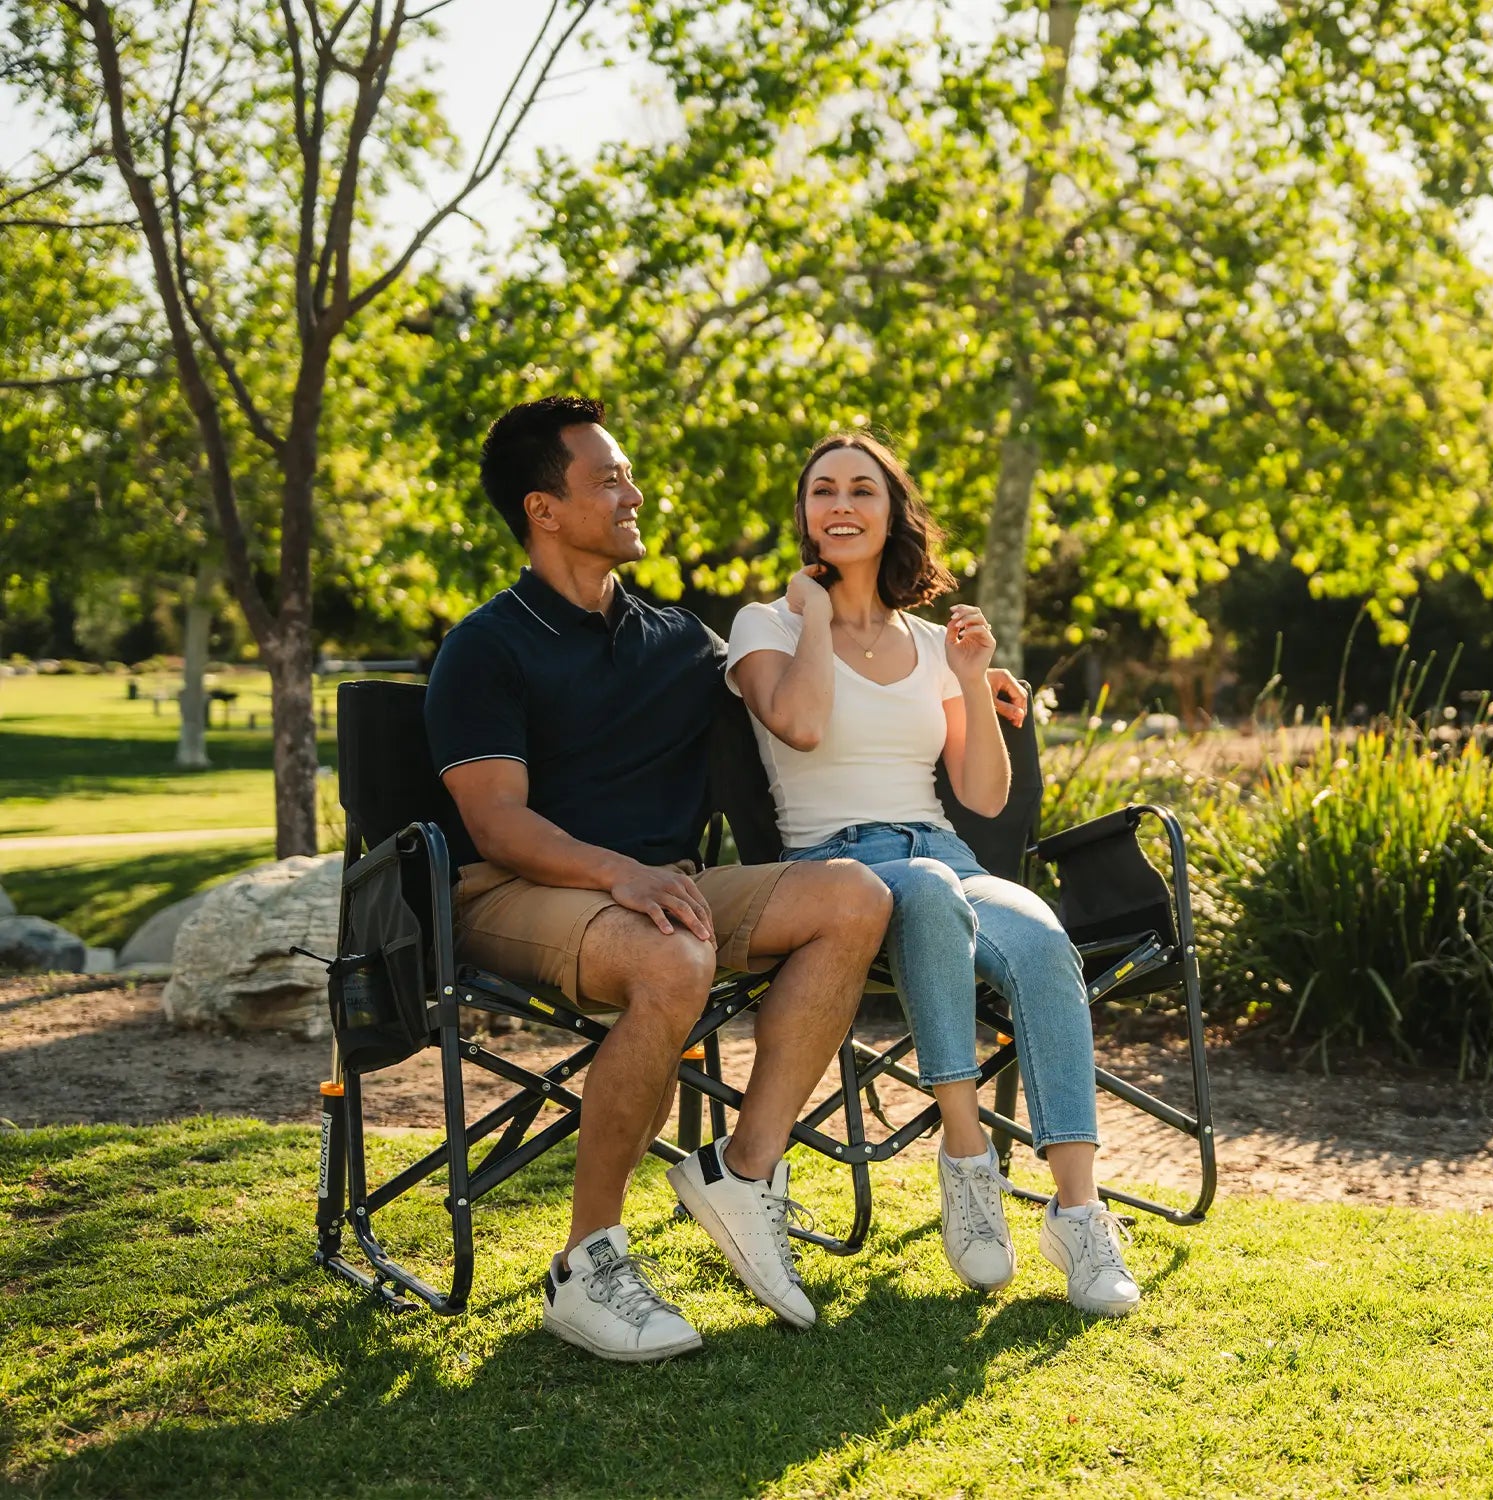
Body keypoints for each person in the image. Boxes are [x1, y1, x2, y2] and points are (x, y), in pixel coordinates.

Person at [424, 397, 892, 1363]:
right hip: (512, 892)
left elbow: (798, 707)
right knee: (676, 961)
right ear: (542, 509)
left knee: (855, 897)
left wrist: (955, 684)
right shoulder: (487, 644)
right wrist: (618, 875)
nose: (634, 493)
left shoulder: (678, 640)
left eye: (627, 474)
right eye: (607, 479)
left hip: (663, 891)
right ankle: (587, 1263)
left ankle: (744, 1172)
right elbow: (494, 821)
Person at [726, 432, 1139, 1317]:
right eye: (822, 490)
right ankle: (967, 1164)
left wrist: (970, 675)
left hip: (940, 852)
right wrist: (813, 613)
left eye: (861, 491)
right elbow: (797, 726)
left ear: (891, 513)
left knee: (1039, 939)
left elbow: (982, 795)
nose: (840, 504)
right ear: (804, 514)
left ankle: (1079, 1213)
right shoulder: (769, 624)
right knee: (927, 893)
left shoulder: (930, 640)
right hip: (838, 871)